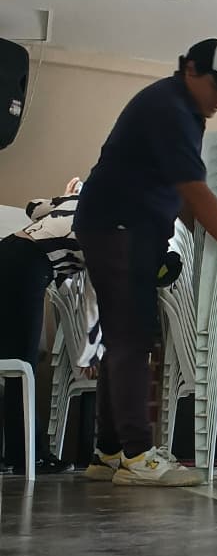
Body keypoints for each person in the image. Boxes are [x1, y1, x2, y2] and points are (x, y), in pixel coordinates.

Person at [74, 38, 217, 488]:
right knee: (132, 335)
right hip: (120, 225)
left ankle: (109, 452)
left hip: (122, 226)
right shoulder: (171, 108)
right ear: (190, 69)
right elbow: (194, 192)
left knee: (123, 335)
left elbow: (182, 196)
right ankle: (137, 455)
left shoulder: (182, 110)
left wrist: (209, 239)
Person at [0, 177, 102, 474]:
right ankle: (28, 457)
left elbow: (34, 207)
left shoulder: (79, 202)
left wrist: (63, 198)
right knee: (22, 364)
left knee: (11, 361)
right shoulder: (108, 228)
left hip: (8, 249)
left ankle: (17, 454)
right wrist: (90, 354)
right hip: (27, 265)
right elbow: (93, 298)